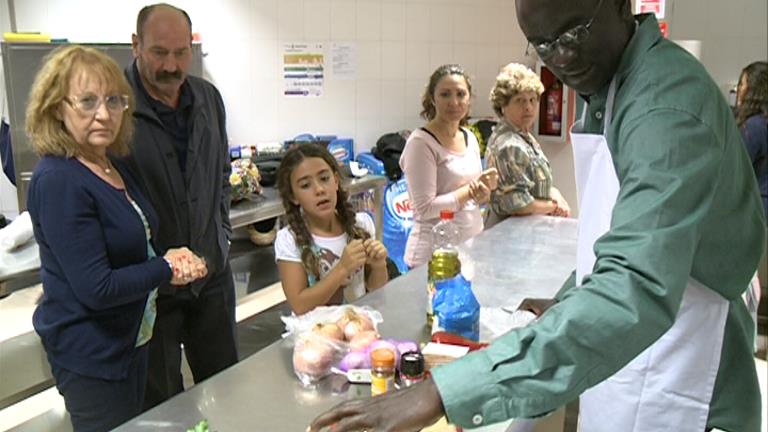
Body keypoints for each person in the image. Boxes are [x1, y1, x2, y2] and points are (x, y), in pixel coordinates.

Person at [308, 1, 766, 431]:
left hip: (686, 367)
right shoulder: (609, 88)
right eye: (542, 44)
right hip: (638, 353)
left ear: (622, 4)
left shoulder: (666, 105)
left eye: (573, 32)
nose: (560, 58)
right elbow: (620, 234)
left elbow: (636, 284)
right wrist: (573, 296)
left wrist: (443, 394)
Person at [24, 45, 206, 432]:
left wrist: (166, 252)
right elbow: (97, 287)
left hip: (131, 338)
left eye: (114, 100)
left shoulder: (110, 162)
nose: (104, 114)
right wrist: (165, 267)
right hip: (93, 354)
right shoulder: (60, 179)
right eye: (87, 101)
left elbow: (134, 238)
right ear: (57, 108)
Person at [122, 3, 238, 409]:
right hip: (151, 287)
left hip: (211, 279)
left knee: (225, 385)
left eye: (181, 52)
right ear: (136, 46)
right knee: (161, 401)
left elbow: (222, 174)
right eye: (159, 52)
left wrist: (220, 239)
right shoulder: (115, 108)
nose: (172, 65)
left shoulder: (208, 98)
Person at [399, 64, 499, 268]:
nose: (454, 102)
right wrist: (471, 191)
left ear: (469, 98)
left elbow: (471, 197)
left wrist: (484, 192)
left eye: (461, 94)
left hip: (469, 252)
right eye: (445, 94)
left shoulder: (469, 137)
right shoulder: (421, 143)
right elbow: (424, 208)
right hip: (433, 258)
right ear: (432, 98)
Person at [274, 144, 388, 315]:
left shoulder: (361, 225)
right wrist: (342, 268)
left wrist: (379, 265)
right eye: (305, 185)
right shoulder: (289, 240)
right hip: (315, 335)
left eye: (324, 179)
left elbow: (376, 289)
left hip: (358, 329)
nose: (319, 190)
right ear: (293, 196)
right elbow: (300, 305)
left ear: (335, 181)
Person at [485, 62, 571, 228]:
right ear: (503, 105)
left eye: (533, 99)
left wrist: (554, 192)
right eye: (520, 101)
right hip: (510, 236)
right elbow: (518, 204)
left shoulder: (524, 136)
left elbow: (533, 181)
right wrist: (554, 206)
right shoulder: (510, 144)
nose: (528, 107)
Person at [735, 61, 767, 220]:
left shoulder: (753, 127)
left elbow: (736, 171)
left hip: (757, 211)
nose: (738, 90)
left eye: (742, 84)